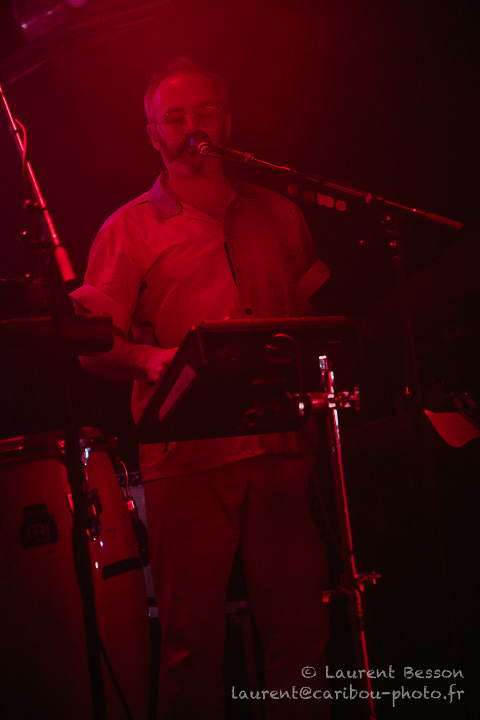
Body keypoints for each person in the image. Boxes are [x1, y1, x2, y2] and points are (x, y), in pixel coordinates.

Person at [71, 57, 331, 720]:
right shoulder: (127, 229)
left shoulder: (280, 213)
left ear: (228, 122)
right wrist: (149, 358)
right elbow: (90, 349)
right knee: (191, 644)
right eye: (175, 117)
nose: (191, 128)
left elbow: (312, 328)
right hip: (185, 459)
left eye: (204, 113)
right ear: (153, 134)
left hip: (282, 451)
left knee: (301, 631)